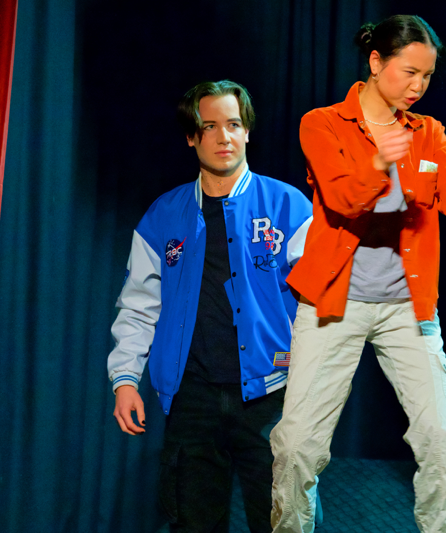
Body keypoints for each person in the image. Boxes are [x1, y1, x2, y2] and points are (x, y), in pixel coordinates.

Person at [269, 14, 446, 533]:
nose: (418, 86)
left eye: (427, 75)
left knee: (440, 441)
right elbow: (340, 198)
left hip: (407, 307)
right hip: (333, 302)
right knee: (297, 444)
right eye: (409, 72)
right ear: (376, 63)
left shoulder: (428, 132)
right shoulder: (323, 123)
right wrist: (378, 165)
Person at [107, 80, 312, 532]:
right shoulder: (164, 214)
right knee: (192, 522)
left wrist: (316, 381)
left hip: (273, 393)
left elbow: (319, 305)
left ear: (247, 131)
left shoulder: (288, 206)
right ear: (191, 137)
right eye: (210, 126)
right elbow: (139, 305)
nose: (224, 137)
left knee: (283, 520)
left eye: (234, 125)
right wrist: (125, 379)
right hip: (192, 398)